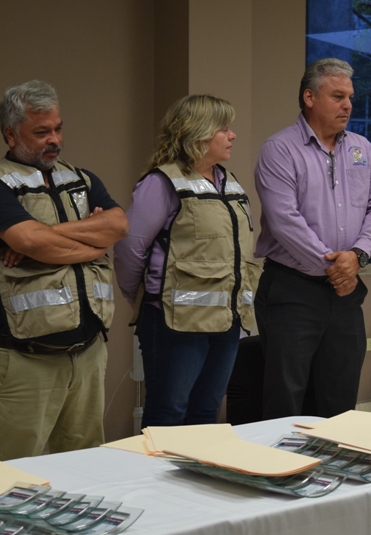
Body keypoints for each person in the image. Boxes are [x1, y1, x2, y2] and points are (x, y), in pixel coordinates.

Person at [0, 80, 129, 461]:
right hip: (26, 359)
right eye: (41, 132)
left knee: (85, 464)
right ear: (10, 134)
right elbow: (32, 242)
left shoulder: (82, 180)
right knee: (13, 471)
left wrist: (45, 238)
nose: (54, 139)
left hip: (88, 353)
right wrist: (92, 244)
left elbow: (118, 225)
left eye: (58, 128)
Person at [254, 58, 371, 419]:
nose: (348, 104)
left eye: (350, 96)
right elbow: (285, 221)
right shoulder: (280, 149)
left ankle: (334, 473)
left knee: (341, 401)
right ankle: (282, 473)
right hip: (293, 291)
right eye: (338, 96)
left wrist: (358, 256)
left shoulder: (362, 148)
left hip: (345, 292)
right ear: (310, 97)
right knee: (287, 401)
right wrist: (335, 265)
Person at [114, 95, 260, 429]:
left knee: (207, 415)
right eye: (223, 128)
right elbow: (129, 250)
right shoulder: (161, 182)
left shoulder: (229, 182)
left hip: (226, 321)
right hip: (175, 323)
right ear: (198, 133)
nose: (232, 135)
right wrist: (144, 297)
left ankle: (199, 481)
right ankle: (158, 483)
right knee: (169, 414)